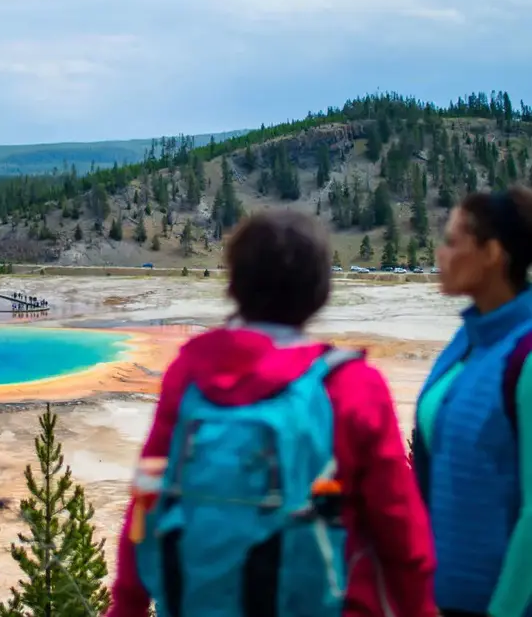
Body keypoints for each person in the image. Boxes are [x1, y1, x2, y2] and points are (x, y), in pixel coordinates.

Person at [107, 210, 436, 617]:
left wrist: (127, 605)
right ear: (319, 292)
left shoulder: (191, 373)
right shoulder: (351, 385)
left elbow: (147, 495)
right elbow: (400, 528)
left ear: (234, 284)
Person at [412, 185, 532, 617]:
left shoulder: (526, 352)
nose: (440, 254)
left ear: (493, 254)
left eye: (452, 242)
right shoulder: (465, 341)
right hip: (440, 600)